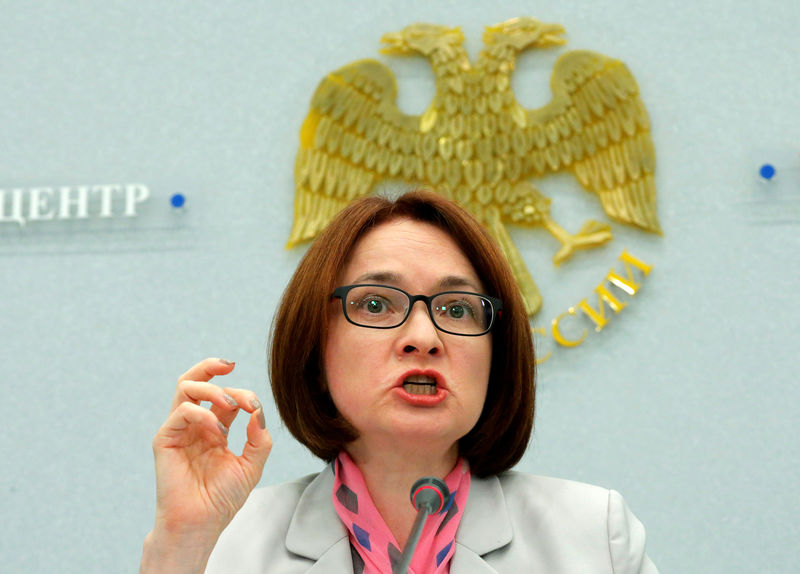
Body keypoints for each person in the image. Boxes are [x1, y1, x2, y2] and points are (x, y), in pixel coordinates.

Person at [139, 190, 659, 573]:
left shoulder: (595, 537)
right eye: (374, 303)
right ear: (315, 349)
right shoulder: (225, 544)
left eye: (456, 308)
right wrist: (183, 541)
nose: (423, 337)